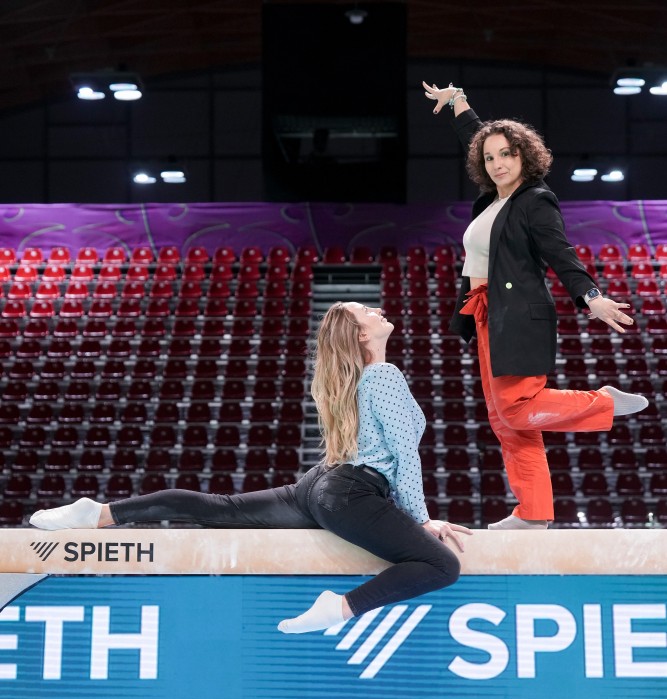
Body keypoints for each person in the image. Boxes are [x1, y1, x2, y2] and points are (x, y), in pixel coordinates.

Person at [30, 301, 471, 633]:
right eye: (367, 311)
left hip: (319, 486)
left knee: (218, 509)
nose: (378, 310)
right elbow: (405, 454)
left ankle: (99, 513)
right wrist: (421, 518)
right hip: (349, 492)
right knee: (441, 566)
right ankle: (340, 608)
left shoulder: (356, 379)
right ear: (360, 334)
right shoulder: (384, 375)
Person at [423, 81, 648, 530]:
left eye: (507, 154)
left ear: (524, 155)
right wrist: (458, 102)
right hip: (485, 313)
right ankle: (533, 513)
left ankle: (600, 402)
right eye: (490, 157)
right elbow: (477, 135)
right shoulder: (494, 199)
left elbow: (560, 253)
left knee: (515, 409)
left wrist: (592, 297)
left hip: (517, 315)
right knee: (505, 421)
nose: (498, 163)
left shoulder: (535, 200)